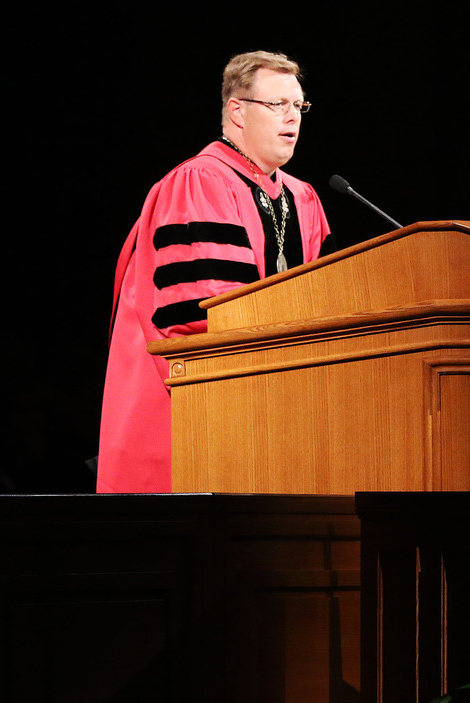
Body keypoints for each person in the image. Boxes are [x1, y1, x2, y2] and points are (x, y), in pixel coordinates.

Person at [97, 51, 335, 493]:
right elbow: (202, 312)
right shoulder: (199, 183)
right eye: (277, 104)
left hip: (278, 415)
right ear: (237, 111)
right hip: (194, 410)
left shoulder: (304, 199)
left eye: (298, 106)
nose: (293, 118)